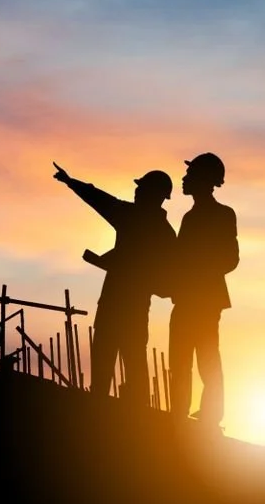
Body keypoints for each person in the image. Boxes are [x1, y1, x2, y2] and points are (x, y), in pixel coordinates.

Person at [52, 161, 175, 407]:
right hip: (128, 306)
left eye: (141, 188)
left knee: (116, 362)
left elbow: (100, 199)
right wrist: (71, 182)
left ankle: (110, 414)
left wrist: (71, 182)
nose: (136, 191)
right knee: (127, 362)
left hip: (121, 305)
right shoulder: (164, 232)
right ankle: (133, 414)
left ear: (154, 194)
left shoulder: (135, 219)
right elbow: (99, 198)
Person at [167, 152, 238, 430]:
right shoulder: (189, 217)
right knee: (180, 359)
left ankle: (211, 414)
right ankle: (179, 412)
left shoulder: (223, 214)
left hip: (205, 301)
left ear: (204, 180)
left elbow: (230, 258)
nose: (184, 179)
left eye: (190, 174)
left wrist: (197, 271)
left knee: (207, 358)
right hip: (187, 299)